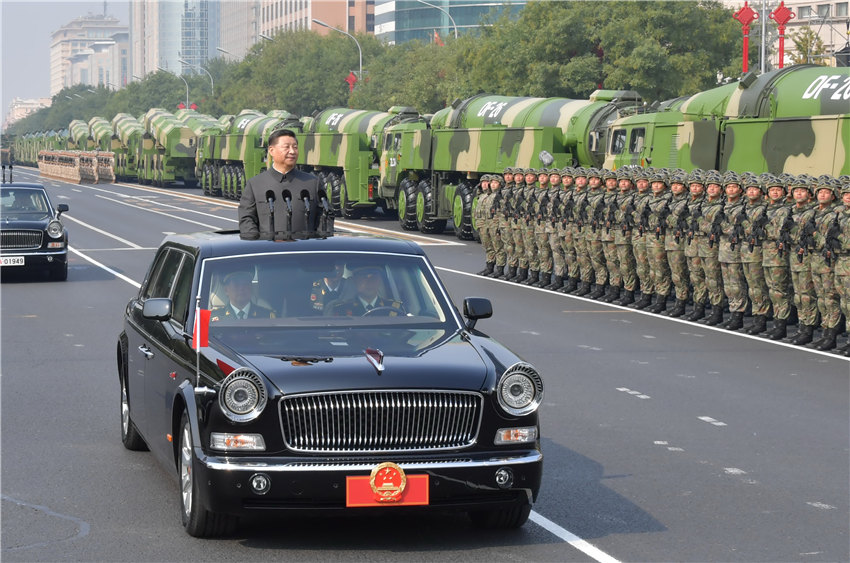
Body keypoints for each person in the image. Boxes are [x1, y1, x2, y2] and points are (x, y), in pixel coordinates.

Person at [238, 129, 320, 239]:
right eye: (286, 147)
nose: (292, 151)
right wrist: (258, 245)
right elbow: (246, 219)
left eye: (295, 147)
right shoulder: (255, 184)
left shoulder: (313, 183)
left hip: (304, 251)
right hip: (269, 252)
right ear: (271, 150)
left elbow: (325, 219)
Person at [718, 171, 748, 330]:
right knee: (728, 286)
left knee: (737, 284)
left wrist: (722, 226)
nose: (731, 190)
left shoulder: (742, 208)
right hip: (723, 250)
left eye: (734, 187)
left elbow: (738, 229)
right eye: (728, 187)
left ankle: (738, 315)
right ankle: (732, 312)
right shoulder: (723, 206)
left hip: (735, 251)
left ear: (740, 190)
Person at [326, 266, 405, 317]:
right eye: (364, 277)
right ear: (355, 281)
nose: (369, 282)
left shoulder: (394, 309)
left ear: (380, 280)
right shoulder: (341, 310)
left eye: (374, 277)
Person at [211, 269, 276, 321]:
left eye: (246, 283)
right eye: (236, 284)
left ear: (251, 287)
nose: (241, 288)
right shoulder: (212, 318)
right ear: (226, 290)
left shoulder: (267, 316)